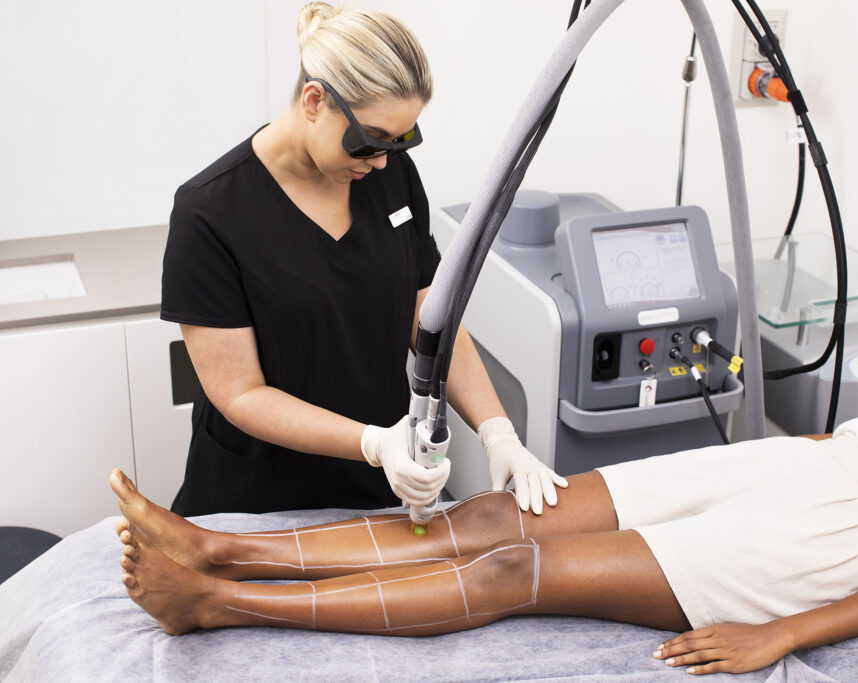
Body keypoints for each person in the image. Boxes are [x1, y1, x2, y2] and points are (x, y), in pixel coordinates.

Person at [111, 387, 858, 675]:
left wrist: (783, 634)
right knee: (483, 514)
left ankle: (217, 602)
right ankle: (218, 546)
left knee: (515, 567)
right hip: (805, 458)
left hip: (846, 529)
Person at [161, 2, 566, 518]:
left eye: (399, 142)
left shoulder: (390, 177)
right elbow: (239, 394)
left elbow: (432, 318)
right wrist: (374, 443)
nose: (380, 161)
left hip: (375, 493)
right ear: (314, 101)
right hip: (258, 504)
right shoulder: (210, 212)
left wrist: (497, 431)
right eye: (369, 142)